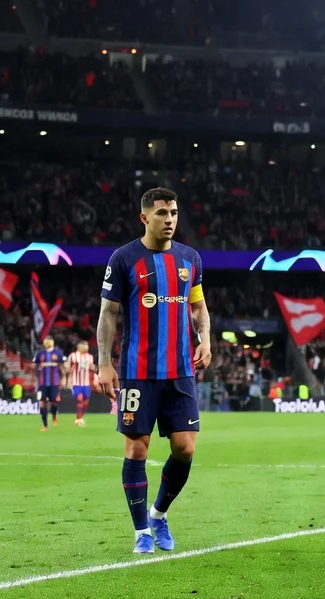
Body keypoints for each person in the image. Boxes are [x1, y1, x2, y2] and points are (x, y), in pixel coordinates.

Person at [93, 187, 212, 554]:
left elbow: (198, 307)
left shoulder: (190, 258)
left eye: (174, 212)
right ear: (145, 218)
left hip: (179, 372)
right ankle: (142, 530)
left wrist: (205, 339)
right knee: (136, 451)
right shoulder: (124, 258)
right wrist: (104, 363)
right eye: (162, 213)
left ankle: (159, 514)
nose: (170, 219)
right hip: (137, 372)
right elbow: (108, 314)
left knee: (185, 449)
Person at [34, 336, 64, 432]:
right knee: (42, 403)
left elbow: (62, 365)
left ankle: (54, 415)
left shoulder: (58, 353)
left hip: (54, 382)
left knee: (53, 402)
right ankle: (45, 425)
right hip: (42, 383)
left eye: (49, 342)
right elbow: (35, 364)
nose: (47, 344)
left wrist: (63, 379)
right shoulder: (40, 353)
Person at [65, 341, 97, 427]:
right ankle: (79, 419)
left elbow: (91, 367)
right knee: (80, 399)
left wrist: (93, 369)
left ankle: (79, 418)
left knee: (85, 402)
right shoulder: (73, 356)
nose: (86, 347)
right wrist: (68, 370)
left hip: (86, 383)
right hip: (76, 383)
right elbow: (67, 367)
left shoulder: (90, 357)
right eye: (84, 346)